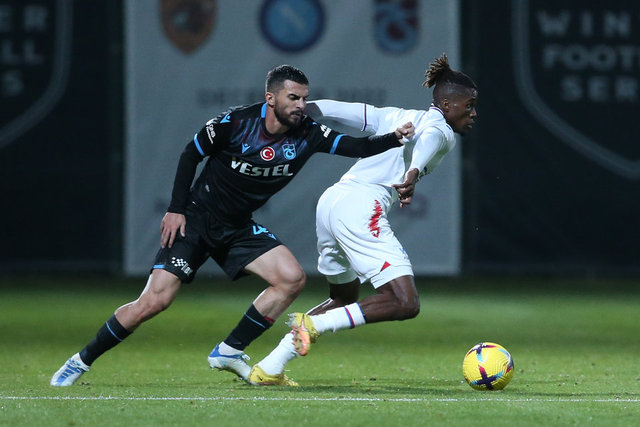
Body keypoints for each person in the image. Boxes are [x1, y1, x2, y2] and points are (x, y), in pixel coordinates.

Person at [50, 65, 415, 387]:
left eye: (304, 98)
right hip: (196, 220)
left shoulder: (308, 132)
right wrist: (176, 209)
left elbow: (355, 147)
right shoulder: (235, 123)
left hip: (237, 227)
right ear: (270, 98)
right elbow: (190, 154)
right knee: (154, 301)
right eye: (293, 98)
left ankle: (229, 350)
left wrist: (394, 138)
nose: (301, 105)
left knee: (291, 278)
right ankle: (80, 361)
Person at [248, 54, 478, 385]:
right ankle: (314, 324)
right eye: (469, 106)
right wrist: (413, 171)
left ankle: (270, 367)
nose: (473, 114)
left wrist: (301, 110)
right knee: (405, 302)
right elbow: (431, 140)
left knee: (343, 298)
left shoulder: (397, 116)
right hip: (359, 207)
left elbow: (342, 109)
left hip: (331, 203)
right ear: (446, 104)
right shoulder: (443, 130)